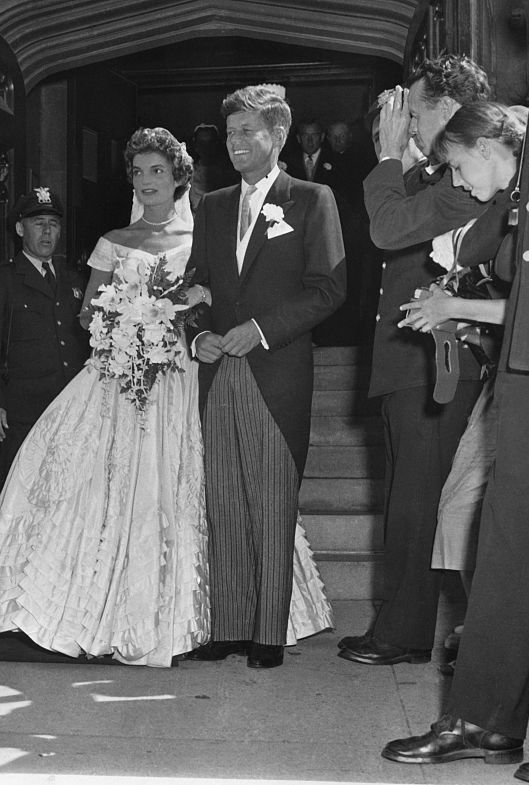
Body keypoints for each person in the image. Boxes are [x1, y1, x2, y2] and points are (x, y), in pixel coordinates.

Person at [0, 127, 212, 666]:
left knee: (167, 484)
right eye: (139, 173)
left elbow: (210, 306)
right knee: (82, 480)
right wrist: (123, 325)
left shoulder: (200, 239)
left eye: (158, 173)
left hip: (176, 377)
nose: (147, 183)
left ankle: (173, 611)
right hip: (117, 373)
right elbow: (88, 310)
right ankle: (73, 602)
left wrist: (174, 322)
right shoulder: (111, 242)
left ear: (179, 179)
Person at [381, 68, 529, 779]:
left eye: (457, 162)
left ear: (485, 145)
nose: (455, 177)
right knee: (506, 542)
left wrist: (459, 309)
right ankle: (484, 715)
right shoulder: (514, 199)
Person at [338, 54, 491, 668]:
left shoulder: (466, 178)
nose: (406, 121)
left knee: (418, 499)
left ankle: (402, 633)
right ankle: (400, 625)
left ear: (450, 110)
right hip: (411, 360)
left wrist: (385, 156)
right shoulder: (437, 175)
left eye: (417, 109)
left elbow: (388, 230)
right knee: (406, 495)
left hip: (439, 362)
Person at [187, 85, 346, 670]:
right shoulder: (212, 205)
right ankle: (228, 625)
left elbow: (329, 288)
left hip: (275, 370)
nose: (235, 145)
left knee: (272, 500)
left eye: (247, 133)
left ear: (278, 137)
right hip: (217, 371)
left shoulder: (312, 198)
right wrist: (196, 334)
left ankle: (268, 632)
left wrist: (260, 329)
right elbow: (194, 287)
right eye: (229, 134)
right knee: (222, 496)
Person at [0, 186, 89, 501]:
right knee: (16, 494)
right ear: (21, 228)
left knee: (66, 494)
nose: (47, 231)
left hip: (69, 405)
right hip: (21, 409)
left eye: (53, 223)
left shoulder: (75, 280)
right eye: (38, 223)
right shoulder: (1, 280)